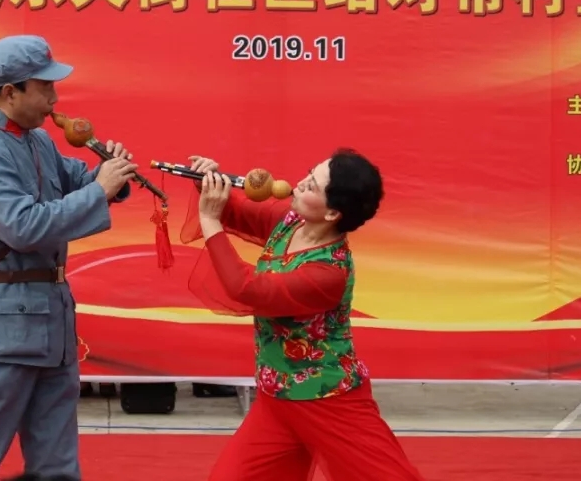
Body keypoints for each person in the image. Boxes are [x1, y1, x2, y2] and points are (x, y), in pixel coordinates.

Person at [0, 35, 139, 481]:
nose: (54, 100)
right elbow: (22, 227)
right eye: (45, 88)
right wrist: (99, 191)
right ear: (11, 92)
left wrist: (110, 176)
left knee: (57, 463)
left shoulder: (36, 139)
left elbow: (77, 180)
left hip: (50, 319)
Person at [179, 150, 424, 481]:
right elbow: (237, 213)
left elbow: (247, 289)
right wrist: (207, 184)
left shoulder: (329, 272)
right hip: (276, 400)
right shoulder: (292, 221)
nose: (300, 183)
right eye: (309, 173)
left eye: (312, 186)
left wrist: (209, 221)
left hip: (329, 401)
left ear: (332, 213)